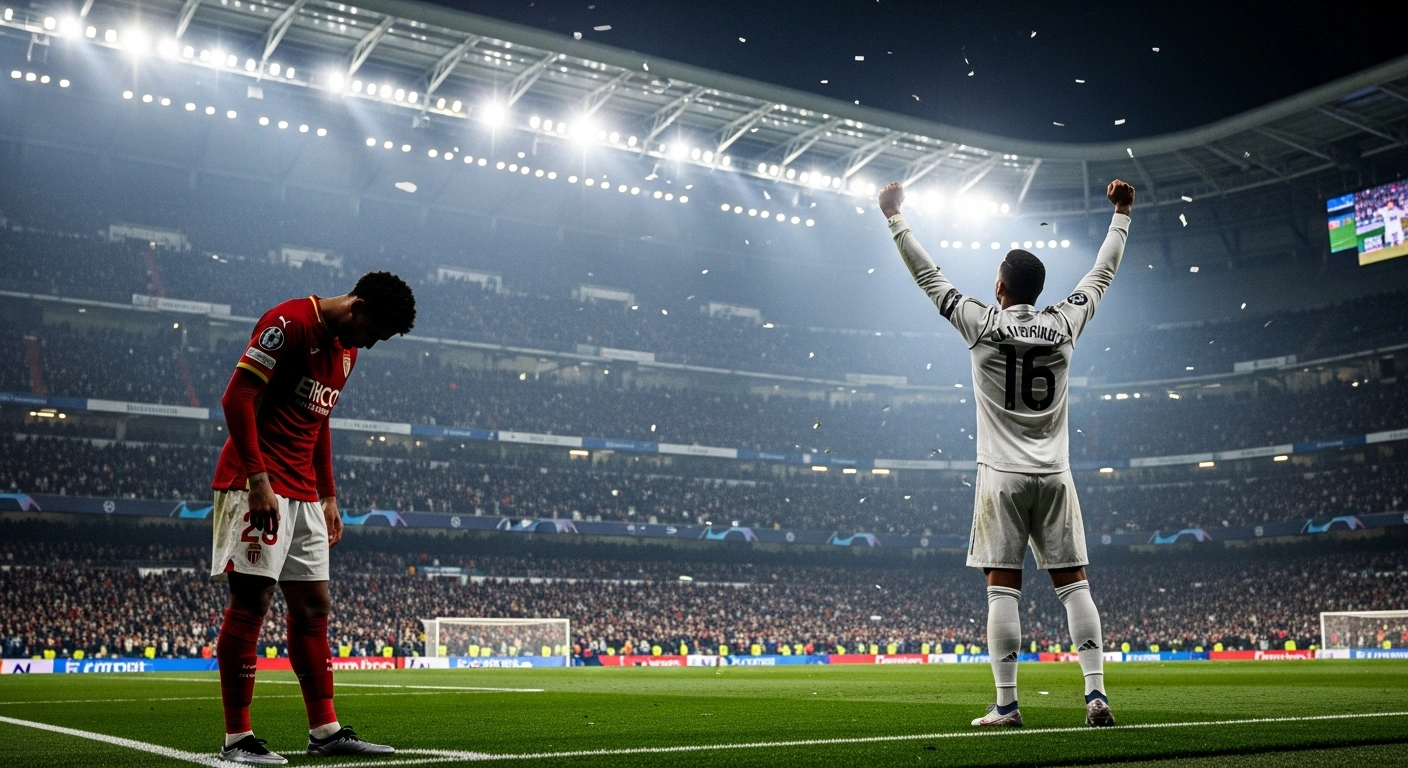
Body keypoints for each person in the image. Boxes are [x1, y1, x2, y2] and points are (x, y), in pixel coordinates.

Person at [878, 179, 1134, 728]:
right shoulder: (1065, 323)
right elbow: (1103, 272)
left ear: (998, 287)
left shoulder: (982, 325)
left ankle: (1008, 705)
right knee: (1074, 585)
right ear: (1037, 290)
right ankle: (1096, 697)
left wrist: (895, 217)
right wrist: (1122, 213)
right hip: (1056, 474)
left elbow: (930, 277)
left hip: (1001, 477)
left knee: (1003, 588)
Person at [210, 272, 416, 763]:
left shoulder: (348, 352)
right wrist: (258, 480)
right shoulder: (289, 322)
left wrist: (329, 496)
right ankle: (237, 739)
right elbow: (235, 397)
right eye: (375, 332)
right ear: (358, 306)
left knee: (312, 607)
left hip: (304, 492)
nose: (372, 343)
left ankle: (325, 731)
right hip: (253, 481)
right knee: (252, 601)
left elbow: (318, 420)